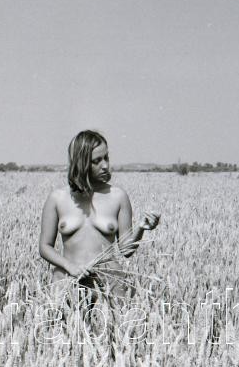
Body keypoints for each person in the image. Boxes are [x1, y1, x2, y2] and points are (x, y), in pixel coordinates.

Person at [38, 130, 160, 310]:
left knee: (113, 328)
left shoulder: (118, 196)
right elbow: (44, 247)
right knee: (62, 328)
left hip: (109, 286)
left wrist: (141, 228)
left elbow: (125, 250)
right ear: (81, 162)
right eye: (97, 161)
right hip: (67, 283)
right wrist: (70, 267)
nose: (105, 166)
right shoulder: (57, 198)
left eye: (106, 158)